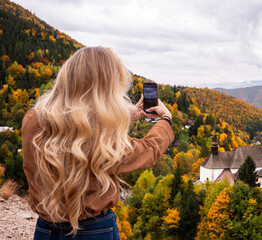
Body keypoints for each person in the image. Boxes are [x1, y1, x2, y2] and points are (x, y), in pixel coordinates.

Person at [21, 46, 174, 239]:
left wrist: (121, 117)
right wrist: (166, 120)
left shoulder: (33, 119)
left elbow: (72, 127)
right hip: (95, 230)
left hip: (46, 229)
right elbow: (148, 150)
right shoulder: (101, 136)